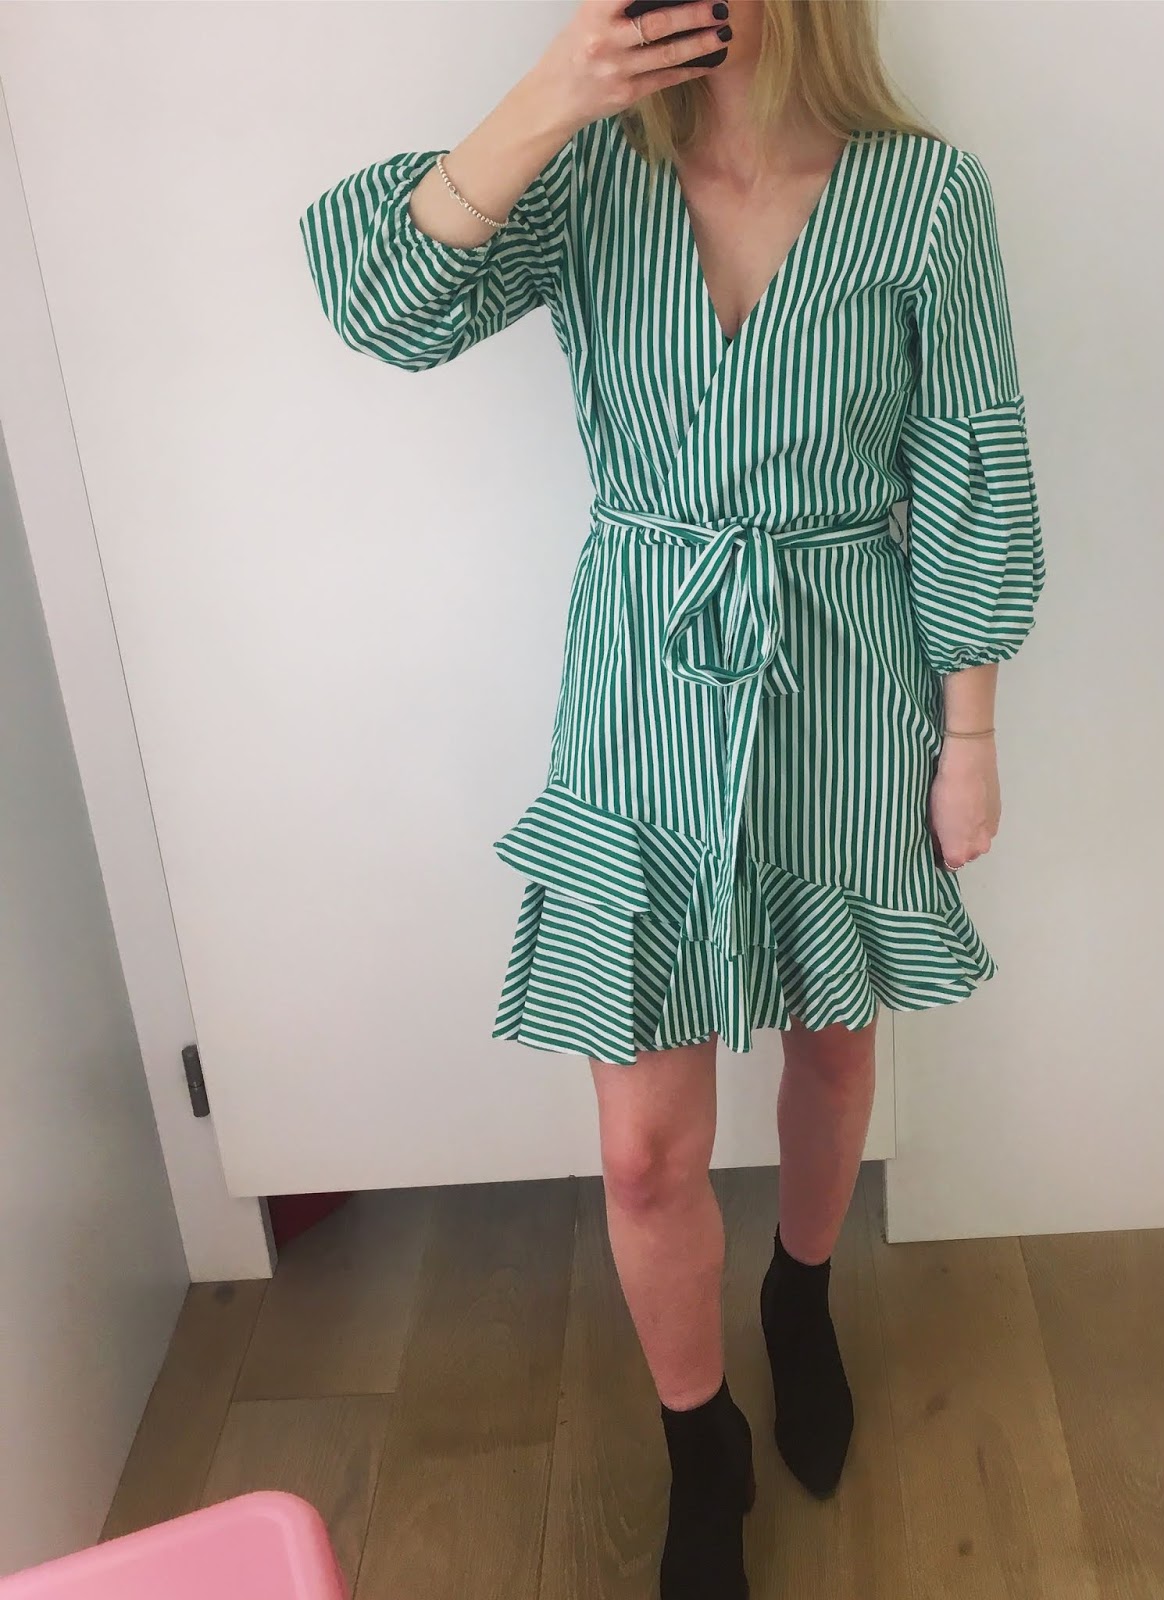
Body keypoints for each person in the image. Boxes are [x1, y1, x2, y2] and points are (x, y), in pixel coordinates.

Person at [299, 2, 1042, 1594]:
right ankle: (699, 1440)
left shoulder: (926, 195)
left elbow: (972, 464)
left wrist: (969, 732)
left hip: (848, 672)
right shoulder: (582, 176)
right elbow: (377, 305)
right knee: (644, 1150)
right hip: (641, 672)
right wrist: (549, 93)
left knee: (836, 1045)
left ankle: (800, 1292)